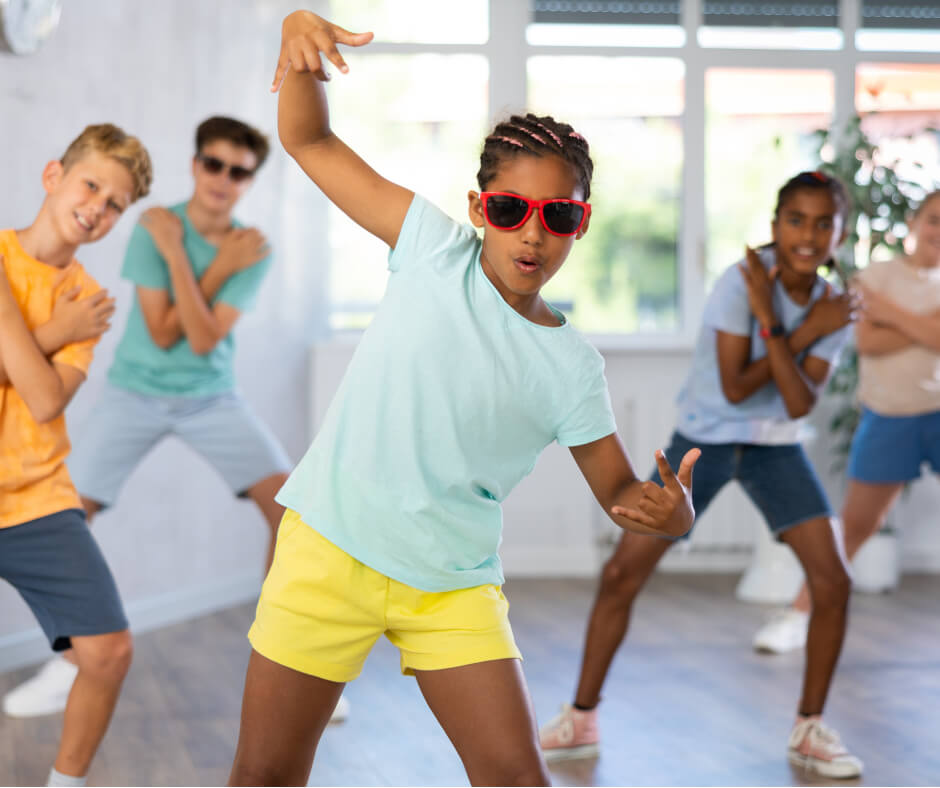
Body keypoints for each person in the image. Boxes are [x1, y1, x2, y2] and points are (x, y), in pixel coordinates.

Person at [226, 11, 699, 787]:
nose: (533, 235)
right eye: (512, 210)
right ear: (481, 209)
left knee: (517, 778)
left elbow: (618, 490)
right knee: (264, 774)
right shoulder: (430, 249)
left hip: (449, 583)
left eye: (559, 216)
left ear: (581, 224)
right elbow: (309, 140)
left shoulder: (572, 366)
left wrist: (672, 518)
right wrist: (299, 42)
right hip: (329, 550)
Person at [0, 116, 330, 723]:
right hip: (135, 392)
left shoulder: (252, 249)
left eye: (239, 172)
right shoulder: (152, 225)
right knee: (66, 513)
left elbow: (202, 341)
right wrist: (196, 258)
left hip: (212, 398)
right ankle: (71, 663)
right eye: (214, 164)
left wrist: (195, 260)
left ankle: (290, 665)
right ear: (196, 164)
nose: (223, 179)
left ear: (250, 181)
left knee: (292, 511)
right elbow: (162, 331)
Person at [540, 171, 864, 779]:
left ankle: (809, 728)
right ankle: (580, 718)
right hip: (703, 444)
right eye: (797, 220)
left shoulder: (835, 307)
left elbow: (799, 403)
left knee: (834, 582)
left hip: (775, 447)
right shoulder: (741, 284)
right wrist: (796, 330)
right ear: (775, 225)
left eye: (824, 224)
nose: (808, 235)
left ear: (841, 234)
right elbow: (737, 387)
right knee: (621, 572)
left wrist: (788, 327)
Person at [0, 124, 152, 787]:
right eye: (92, 185)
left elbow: (43, 400)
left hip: (37, 497)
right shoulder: (63, 309)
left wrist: (30, 330)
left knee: (109, 652)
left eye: (115, 204)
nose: (98, 208)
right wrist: (53, 333)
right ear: (53, 175)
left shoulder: (88, 301)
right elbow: (35, 374)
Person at [753, 188, 940, 654]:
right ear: (914, 222)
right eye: (934, 219)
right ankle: (798, 615)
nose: (939, 232)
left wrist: (888, 313)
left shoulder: (878, 292)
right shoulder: (874, 276)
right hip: (888, 416)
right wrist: (927, 326)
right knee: (856, 525)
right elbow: (868, 343)